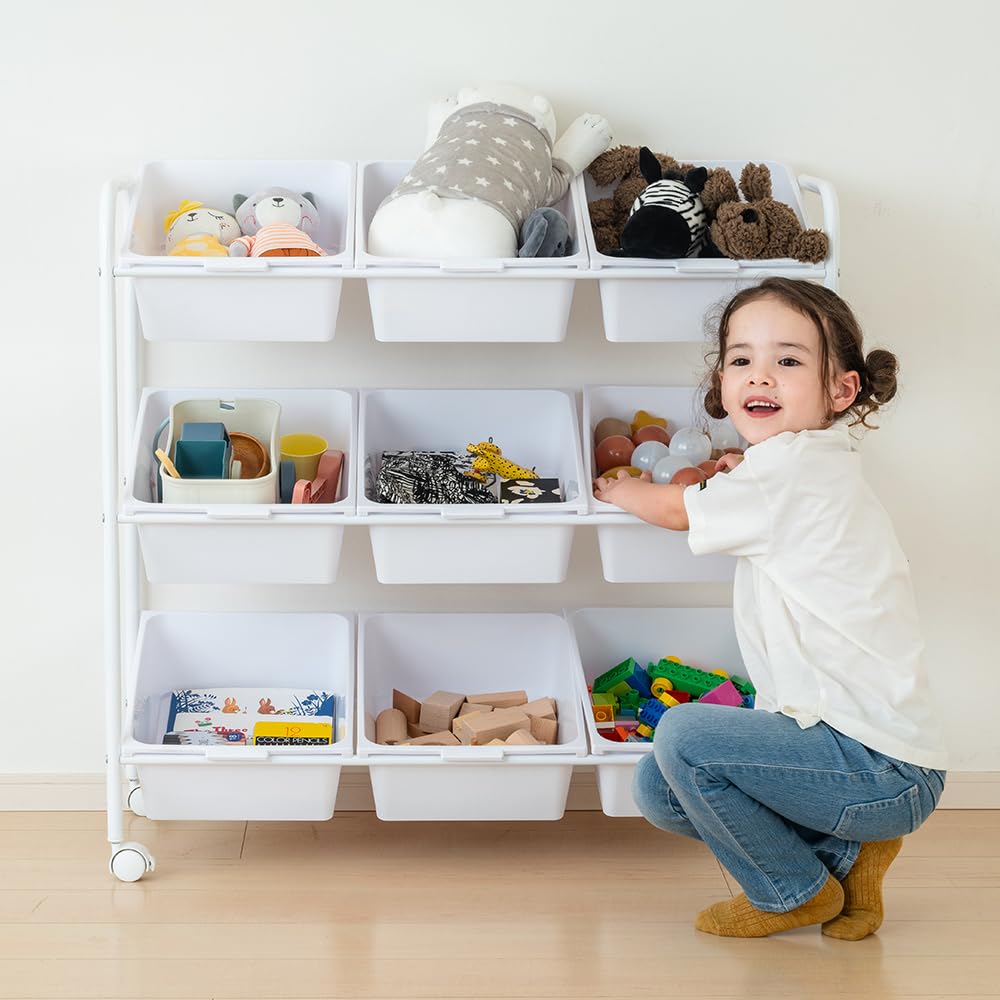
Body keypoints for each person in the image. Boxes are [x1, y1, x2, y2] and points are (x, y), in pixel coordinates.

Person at [593, 277, 947, 939]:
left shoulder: (788, 475)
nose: (761, 375)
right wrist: (731, 470)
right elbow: (758, 495)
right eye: (741, 360)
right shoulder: (805, 463)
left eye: (787, 361)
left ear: (840, 390)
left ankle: (791, 893)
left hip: (874, 767)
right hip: (872, 763)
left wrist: (623, 488)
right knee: (661, 787)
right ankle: (847, 862)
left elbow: (675, 510)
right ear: (721, 382)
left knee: (685, 739)